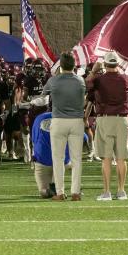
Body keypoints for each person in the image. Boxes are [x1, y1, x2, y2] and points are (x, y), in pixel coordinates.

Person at [87, 52, 128, 201]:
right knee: (121, 158)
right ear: (117, 64)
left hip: (105, 119)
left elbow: (87, 86)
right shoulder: (126, 78)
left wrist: (94, 71)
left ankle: (106, 192)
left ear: (105, 64)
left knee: (106, 158)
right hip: (122, 119)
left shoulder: (99, 80)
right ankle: (121, 191)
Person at [41, 52, 85, 201]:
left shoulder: (53, 81)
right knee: (76, 159)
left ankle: (60, 192)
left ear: (61, 65)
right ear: (73, 65)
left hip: (59, 120)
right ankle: (76, 192)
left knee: (58, 158)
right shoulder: (80, 81)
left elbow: (43, 95)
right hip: (77, 121)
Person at [30, 112, 64, 199]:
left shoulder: (39, 118)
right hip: (64, 161)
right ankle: (76, 189)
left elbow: (34, 140)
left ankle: (49, 190)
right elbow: (83, 138)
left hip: (43, 161)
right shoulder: (68, 117)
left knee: (43, 192)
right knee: (75, 162)